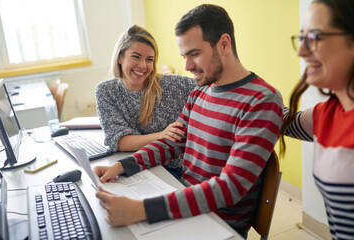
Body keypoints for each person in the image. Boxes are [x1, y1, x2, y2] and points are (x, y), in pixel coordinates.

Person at [95, 4, 283, 238]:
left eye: (194, 54)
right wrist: (122, 167)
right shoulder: (200, 92)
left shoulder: (261, 100)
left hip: (218, 225)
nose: (187, 66)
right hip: (186, 205)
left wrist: (141, 210)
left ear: (224, 44)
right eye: (184, 56)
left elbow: (230, 188)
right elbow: (170, 143)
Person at [280, 0, 354, 239]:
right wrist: (249, 93)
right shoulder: (329, 112)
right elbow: (284, 121)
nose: (301, 51)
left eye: (314, 38)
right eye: (301, 39)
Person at [95, 25, 196, 179]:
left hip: (174, 169)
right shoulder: (106, 90)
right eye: (136, 56)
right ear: (120, 57)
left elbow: (211, 85)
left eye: (149, 59)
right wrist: (161, 135)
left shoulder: (174, 85)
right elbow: (119, 141)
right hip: (135, 165)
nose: (143, 65)